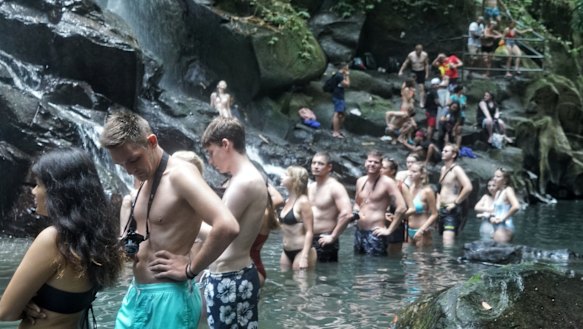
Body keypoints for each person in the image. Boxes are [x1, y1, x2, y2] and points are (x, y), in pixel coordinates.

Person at [100, 111, 239, 329]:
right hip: (138, 294)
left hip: (170, 298)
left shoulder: (180, 174)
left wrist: (190, 269)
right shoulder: (147, 180)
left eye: (133, 159)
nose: (129, 171)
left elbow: (227, 225)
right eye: (121, 165)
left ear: (151, 142)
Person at [0, 148, 123, 328]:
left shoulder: (53, 240)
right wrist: (22, 303)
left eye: (38, 184)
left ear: (59, 191)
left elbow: (5, 312)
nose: (33, 192)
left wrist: (18, 304)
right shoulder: (94, 240)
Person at [196, 116, 268, 328]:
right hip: (232, 275)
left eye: (211, 152)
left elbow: (220, 233)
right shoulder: (245, 178)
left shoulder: (244, 182)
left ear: (225, 144)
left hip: (231, 278)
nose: (210, 160)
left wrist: (189, 218)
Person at [353, 150, 407, 256]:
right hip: (359, 231)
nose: (372, 164)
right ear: (365, 163)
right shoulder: (360, 181)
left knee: (374, 269)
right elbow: (357, 203)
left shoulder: (387, 182)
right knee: (358, 268)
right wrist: (355, 212)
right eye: (370, 161)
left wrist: (389, 230)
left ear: (381, 165)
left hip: (374, 233)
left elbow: (402, 208)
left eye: (376, 162)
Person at [308, 151, 353, 262]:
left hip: (324, 238)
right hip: (308, 238)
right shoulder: (311, 186)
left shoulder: (335, 187)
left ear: (329, 167)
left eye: (320, 164)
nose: (316, 166)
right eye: (314, 163)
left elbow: (347, 214)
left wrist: (333, 236)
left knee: (324, 276)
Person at [279, 166, 317, 270]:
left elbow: (310, 231)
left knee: (301, 285)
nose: (281, 176)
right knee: (285, 284)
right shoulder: (287, 201)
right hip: (286, 250)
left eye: (286, 175)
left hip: (301, 251)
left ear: (294, 180)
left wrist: (304, 257)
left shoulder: (303, 201)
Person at [437, 144, 473, 246]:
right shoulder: (443, 169)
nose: (443, 152)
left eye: (446, 151)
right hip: (442, 208)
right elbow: (441, 189)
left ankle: (449, 261)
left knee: (447, 242)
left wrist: (455, 203)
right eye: (443, 150)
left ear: (453, 155)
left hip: (451, 210)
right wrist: (437, 205)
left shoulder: (457, 169)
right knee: (442, 241)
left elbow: (468, 187)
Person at [380, 157, 414, 253]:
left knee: (393, 257)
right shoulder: (376, 184)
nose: (380, 169)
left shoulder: (401, 186)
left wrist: (397, 217)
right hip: (378, 224)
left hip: (396, 227)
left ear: (392, 171)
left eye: (383, 168)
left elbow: (412, 209)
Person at [253, 183, 283, 286]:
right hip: (255, 267)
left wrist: (263, 180)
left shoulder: (261, 214)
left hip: (250, 270)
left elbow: (278, 199)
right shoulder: (267, 211)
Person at [406, 162, 438, 247]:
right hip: (408, 230)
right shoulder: (409, 188)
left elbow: (434, 214)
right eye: (410, 171)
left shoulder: (427, 191)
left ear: (422, 174)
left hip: (422, 231)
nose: (410, 174)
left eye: (414, 171)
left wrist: (421, 230)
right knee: (405, 259)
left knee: (421, 259)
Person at [490, 168, 520, 242]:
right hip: (497, 227)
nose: (494, 178)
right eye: (494, 176)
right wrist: (492, 217)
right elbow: (496, 210)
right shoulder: (498, 192)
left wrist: (502, 218)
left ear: (505, 180)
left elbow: (516, 206)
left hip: (505, 227)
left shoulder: (508, 190)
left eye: (498, 176)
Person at [331, 63, 350, 138]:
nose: (348, 70)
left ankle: (338, 130)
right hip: (338, 96)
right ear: (344, 68)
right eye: (347, 68)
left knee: (342, 114)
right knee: (337, 113)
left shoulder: (339, 75)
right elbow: (347, 84)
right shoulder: (338, 76)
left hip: (339, 96)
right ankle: (335, 132)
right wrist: (347, 75)